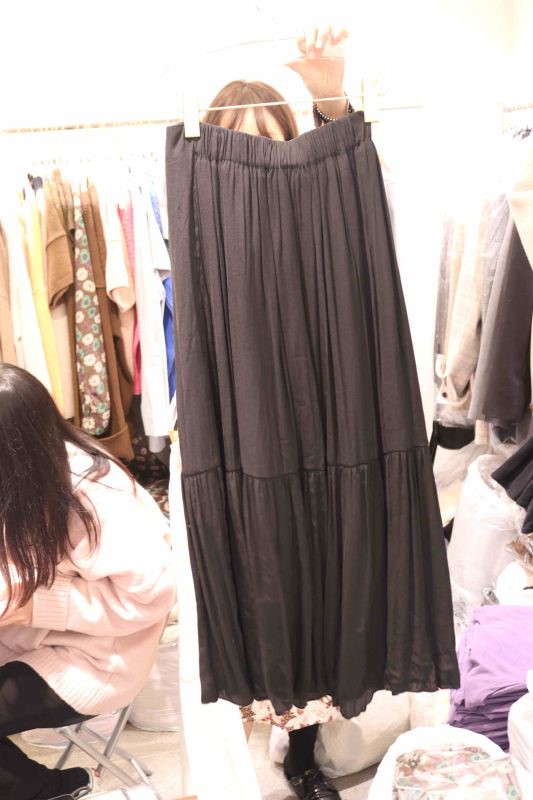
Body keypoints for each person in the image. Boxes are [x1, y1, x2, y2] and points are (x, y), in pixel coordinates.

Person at [204, 24, 351, 800]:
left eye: (269, 146)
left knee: (313, 584)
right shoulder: (201, 217)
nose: (254, 167)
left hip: (314, 427)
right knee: (253, 583)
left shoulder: (311, 215)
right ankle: (260, 723)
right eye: (238, 150)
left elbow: (347, 190)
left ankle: (302, 749)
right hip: (234, 434)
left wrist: (331, 100)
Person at [0, 363, 176, 800]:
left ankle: (50, 789)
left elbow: (151, 594)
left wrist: (39, 604)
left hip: (95, 660)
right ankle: (50, 788)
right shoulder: (18, 476)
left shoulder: (93, 493)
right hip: (24, 639)